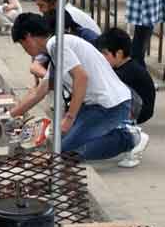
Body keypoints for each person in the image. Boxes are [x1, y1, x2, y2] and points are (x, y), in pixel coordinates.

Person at [9, 13, 147, 165]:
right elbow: (39, 92)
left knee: (65, 153)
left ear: (28, 37)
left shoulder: (56, 44)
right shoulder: (56, 46)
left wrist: (69, 118)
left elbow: (81, 78)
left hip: (110, 106)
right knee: (58, 146)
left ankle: (130, 138)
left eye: (22, 45)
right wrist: (9, 117)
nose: (25, 50)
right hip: (93, 106)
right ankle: (113, 133)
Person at [96, 28, 156, 125]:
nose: (102, 57)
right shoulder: (126, 66)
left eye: (105, 53)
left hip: (138, 113)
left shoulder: (126, 73)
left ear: (119, 54)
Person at [35, 0, 102, 34]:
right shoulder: (62, 13)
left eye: (41, 5)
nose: (40, 10)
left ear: (54, 3)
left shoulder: (67, 15)